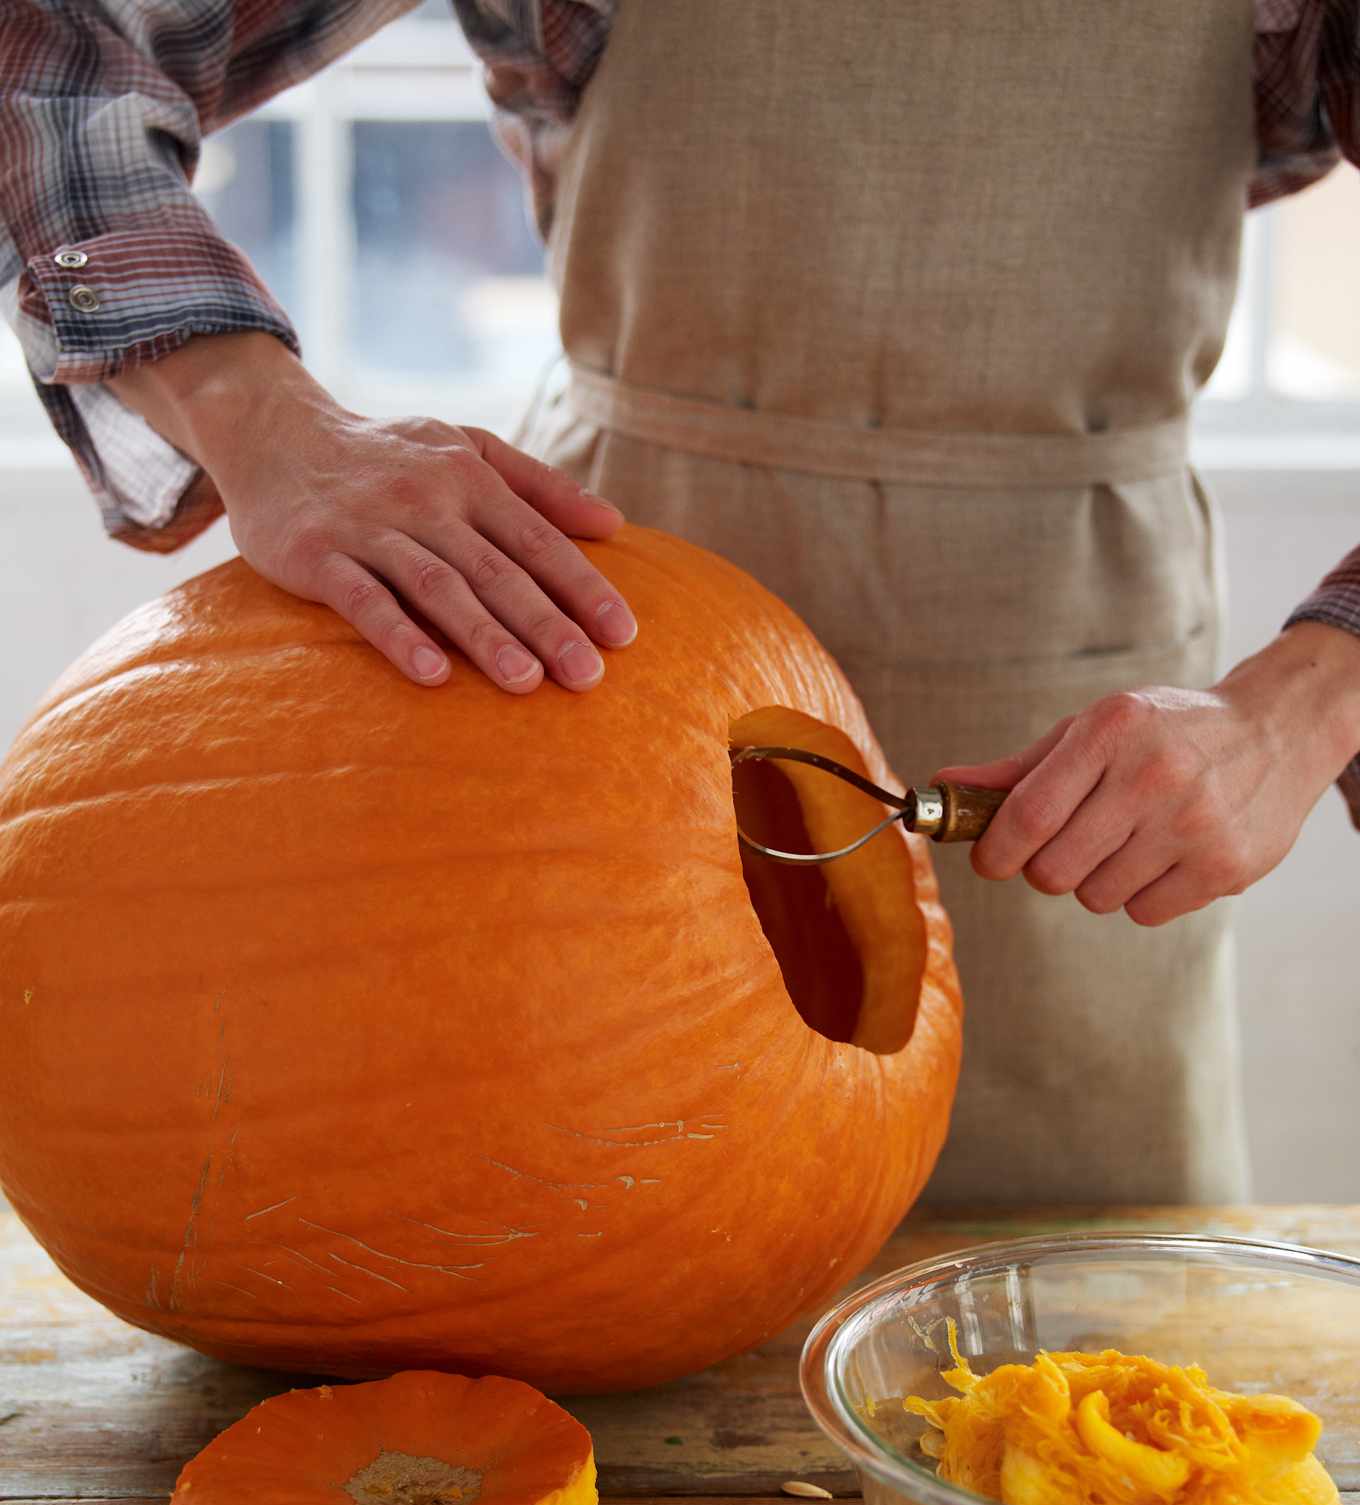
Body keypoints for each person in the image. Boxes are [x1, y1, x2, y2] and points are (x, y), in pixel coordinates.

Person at [4, 0, 1359, 1207]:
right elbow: (43, 51)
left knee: (1089, 1364)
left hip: (1083, 689)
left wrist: (1305, 706)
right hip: (591, 644)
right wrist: (254, 412)